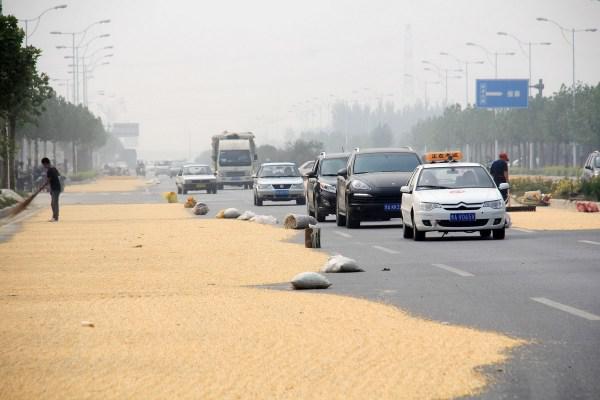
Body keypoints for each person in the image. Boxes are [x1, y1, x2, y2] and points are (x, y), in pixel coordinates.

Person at [41, 157, 62, 222]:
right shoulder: (53, 168)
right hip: (56, 187)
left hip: (55, 188)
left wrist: (43, 186)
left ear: (46, 163)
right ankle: (56, 217)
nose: (43, 166)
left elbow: (48, 180)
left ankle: (55, 217)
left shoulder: (50, 170)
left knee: (54, 203)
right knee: (54, 203)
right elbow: (58, 175)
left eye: (43, 165)